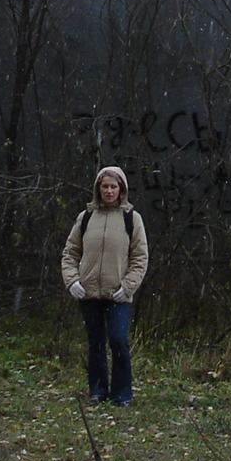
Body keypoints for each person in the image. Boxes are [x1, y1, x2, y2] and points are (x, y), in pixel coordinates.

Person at [59, 164, 149, 405]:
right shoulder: (86, 217)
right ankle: (98, 391)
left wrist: (128, 286)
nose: (109, 191)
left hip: (118, 294)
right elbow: (70, 253)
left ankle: (122, 394)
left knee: (118, 340)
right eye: (105, 186)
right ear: (98, 189)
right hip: (88, 293)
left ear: (122, 189)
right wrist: (72, 281)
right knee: (95, 343)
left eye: (114, 186)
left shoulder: (132, 218)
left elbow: (140, 258)